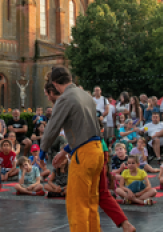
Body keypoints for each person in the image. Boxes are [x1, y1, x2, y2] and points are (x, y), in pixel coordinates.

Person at [40, 67, 103, 232]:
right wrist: (66, 150)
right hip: (97, 151)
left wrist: (42, 151)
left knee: (77, 204)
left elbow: (52, 128)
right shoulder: (86, 95)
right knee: (91, 202)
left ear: (54, 83)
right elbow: (90, 128)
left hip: (83, 153)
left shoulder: (65, 98)